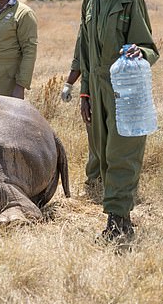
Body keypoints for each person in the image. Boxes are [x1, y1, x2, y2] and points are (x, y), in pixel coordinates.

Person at [79, 0, 159, 242]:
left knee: (122, 153)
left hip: (125, 88)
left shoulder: (131, 0)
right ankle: (116, 214)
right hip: (97, 88)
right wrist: (84, 93)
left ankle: (119, 222)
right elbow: (84, 49)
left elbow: (151, 48)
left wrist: (141, 52)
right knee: (102, 154)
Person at [61, 31, 100, 199]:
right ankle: (94, 180)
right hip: (91, 85)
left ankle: (116, 181)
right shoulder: (89, 13)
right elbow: (80, 57)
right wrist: (69, 84)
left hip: (117, 85)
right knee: (94, 136)